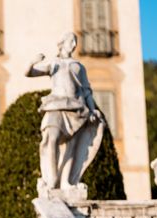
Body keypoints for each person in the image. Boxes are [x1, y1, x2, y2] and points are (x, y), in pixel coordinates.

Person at [25, 32, 104, 191]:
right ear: (62, 43)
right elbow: (29, 73)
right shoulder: (54, 64)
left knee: (70, 146)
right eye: (71, 41)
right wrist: (32, 62)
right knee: (52, 138)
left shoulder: (78, 66)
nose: (74, 45)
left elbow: (87, 90)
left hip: (75, 108)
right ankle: (52, 178)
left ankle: (66, 181)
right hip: (55, 106)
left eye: (75, 42)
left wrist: (93, 109)